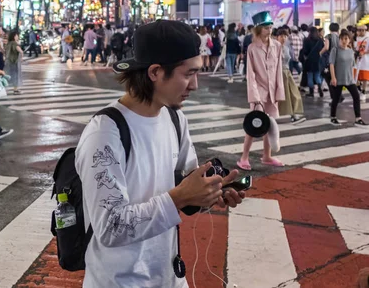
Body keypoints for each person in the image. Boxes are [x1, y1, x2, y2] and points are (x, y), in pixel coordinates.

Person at [75, 20, 245, 288]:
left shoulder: (175, 119)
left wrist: (209, 193)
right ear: (155, 72)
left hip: (169, 277)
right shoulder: (105, 134)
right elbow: (110, 227)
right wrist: (180, 197)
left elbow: (183, 188)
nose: (195, 85)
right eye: (188, 74)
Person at [238, 12, 285, 170]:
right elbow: (250, 74)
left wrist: (279, 91)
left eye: (271, 27)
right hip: (258, 91)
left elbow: (278, 70)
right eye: (266, 27)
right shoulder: (252, 48)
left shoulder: (277, 46)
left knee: (269, 125)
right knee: (254, 124)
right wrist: (255, 97)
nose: (269, 30)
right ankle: (244, 157)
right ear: (258, 29)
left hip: (272, 91)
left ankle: (267, 156)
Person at [330, 29, 367, 126]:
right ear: (340, 39)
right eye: (342, 39)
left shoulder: (351, 51)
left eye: (346, 39)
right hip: (338, 78)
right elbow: (331, 64)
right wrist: (333, 78)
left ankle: (358, 118)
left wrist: (355, 79)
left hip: (349, 79)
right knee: (336, 98)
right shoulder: (335, 50)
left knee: (356, 96)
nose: (344, 41)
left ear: (349, 40)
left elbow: (352, 66)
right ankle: (333, 116)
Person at [276, 29, 306, 124]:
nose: (283, 38)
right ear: (277, 37)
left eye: (285, 36)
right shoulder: (274, 48)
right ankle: (269, 114)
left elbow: (291, 61)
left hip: (287, 72)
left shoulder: (287, 47)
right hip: (278, 73)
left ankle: (294, 114)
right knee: (279, 96)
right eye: (281, 36)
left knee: (293, 94)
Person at [301, 27, 325, 98]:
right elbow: (323, 49)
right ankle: (320, 89)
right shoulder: (320, 40)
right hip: (318, 60)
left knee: (310, 76)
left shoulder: (307, 40)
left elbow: (305, 51)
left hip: (309, 60)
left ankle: (311, 92)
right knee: (317, 75)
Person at [5, 30, 23, 94]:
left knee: (8, 75)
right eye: (16, 35)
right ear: (14, 36)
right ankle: (15, 90)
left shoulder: (9, 43)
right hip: (14, 61)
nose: (17, 37)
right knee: (15, 75)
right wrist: (21, 55)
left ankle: (4, 89)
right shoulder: (14, 43)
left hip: (8, 61)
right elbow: (19, 50)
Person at [354, 25, 369, 102]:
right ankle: (359, 88)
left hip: (365, 61)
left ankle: (363, 92)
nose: (361, 31)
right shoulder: (356, 38)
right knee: (355, 76)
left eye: (363, 30)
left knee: (365, 78)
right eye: (360, 30)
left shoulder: (368, 38)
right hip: (357, 60)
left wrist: (364, 53)